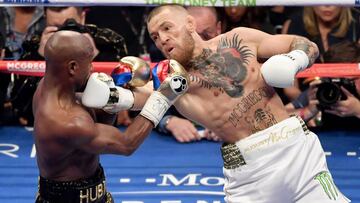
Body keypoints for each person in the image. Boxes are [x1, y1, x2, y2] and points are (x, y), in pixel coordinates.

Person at [85, 5, 350, 202]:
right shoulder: (173, 79)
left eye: (167, 27)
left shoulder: (240, 38)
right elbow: (139, 98)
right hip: (251, 173)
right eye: (155, 36)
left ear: (190, 23)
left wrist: (295, 60)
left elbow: (305, 44)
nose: (162, 38)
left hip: (298, 152)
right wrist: (112, 97)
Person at [33, 30, 187, 202]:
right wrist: (163, 97)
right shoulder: (67, 122)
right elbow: (126, 144)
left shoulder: (49, 87)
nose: (92, 68)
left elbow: (98, 124)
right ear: (73, 67)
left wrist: (114, 97)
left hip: (96, 194)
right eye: (89, 62)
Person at [10, 6, 128, 127]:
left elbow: (120, 106)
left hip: (97, 125)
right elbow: (21, 109)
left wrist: (92, 56)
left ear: (82, 17)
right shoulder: (34, 46)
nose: (64, 39)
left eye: (70, 28)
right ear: (45, 19)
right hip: (39, 129)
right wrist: (41, 57)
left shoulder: (108, 43)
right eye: (57, 28)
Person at [155, 6, 223, 143]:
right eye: (193, 33)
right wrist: (168, 121)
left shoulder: (235, 55)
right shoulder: (167, 57)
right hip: (175, 147)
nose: (199, 39)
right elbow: (145, 100)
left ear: (218, 29)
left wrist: (229, 123)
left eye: (206, 33)